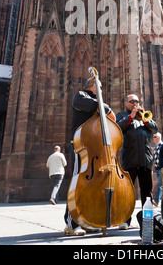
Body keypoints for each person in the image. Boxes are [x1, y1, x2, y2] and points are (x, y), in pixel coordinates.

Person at [64, 77, 114, 236]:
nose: (101, 91)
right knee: (78, 182)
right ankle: (72, 223)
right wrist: (108, 109)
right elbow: (97, 106)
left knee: (93, 185)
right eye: (99, 87)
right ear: (93, 87)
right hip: (81, 147)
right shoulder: (80, 96)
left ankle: (88, 220)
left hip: (94, 148)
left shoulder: (95, 102)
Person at [116, 94, 158, 229]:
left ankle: (148, 220)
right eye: (132, 101)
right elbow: (118, 128)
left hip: (145, 160)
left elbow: (154, 128)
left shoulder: (144, 117)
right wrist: (131, 116)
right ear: (126, 103)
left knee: (147, 193)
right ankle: (124, 220)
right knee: (127, 193)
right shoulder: (122, 116)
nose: (135, 103)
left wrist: (144, 119)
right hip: (129, 159)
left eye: (137, 101)